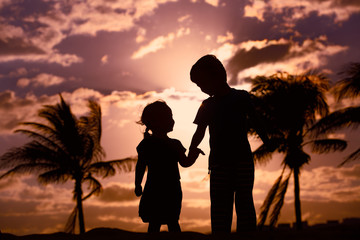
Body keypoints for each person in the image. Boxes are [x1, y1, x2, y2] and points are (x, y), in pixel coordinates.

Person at [188, 54, 269, 233]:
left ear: (215, 76)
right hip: (219, 164)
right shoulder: (207, 105)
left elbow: (256, 121)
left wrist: (266, 140)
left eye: (201, 84)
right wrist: (192, 150)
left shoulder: (241, 98)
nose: (201, 89)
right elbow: (199, 132)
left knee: (244, 203)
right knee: (220, 208)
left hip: (241, 161)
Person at [135, 100, 204, 233]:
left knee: (170, 221)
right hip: (158, 188)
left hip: (170, 188)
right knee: (158, 222)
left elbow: (185, 162)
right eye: (168, 117)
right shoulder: (149, 145)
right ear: (156, 122)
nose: (172, 121)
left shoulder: (173, 144)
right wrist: (138, 184)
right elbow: (140, 166)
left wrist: (194, 153)